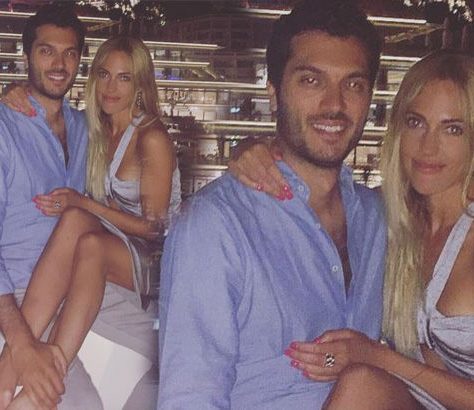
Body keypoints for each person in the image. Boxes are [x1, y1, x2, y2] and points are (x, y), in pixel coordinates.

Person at [157, 0, 386, 408]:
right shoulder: (216, 225)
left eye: (353, 85)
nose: (334, 104)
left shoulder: (381, 220)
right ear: (274, 94)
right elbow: (190, 396)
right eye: (311, 81)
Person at [231, 50, 474, 408]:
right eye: (416, 122)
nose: (428, 146)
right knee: (361, 385)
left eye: (453, 129)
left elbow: (375, 362)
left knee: (362, 381)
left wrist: (376, 356)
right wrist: (250, 151)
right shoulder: (382, 219)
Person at [0, 5, 179, 410]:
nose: (59, 64)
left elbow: (154, 225)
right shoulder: (25, 127)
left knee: (79, 219)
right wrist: (22, 344)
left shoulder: (87, 130)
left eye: (69, 54)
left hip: (112, 271)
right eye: (46, 51)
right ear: (26, 56)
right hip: (16, 298)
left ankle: (8, 376)